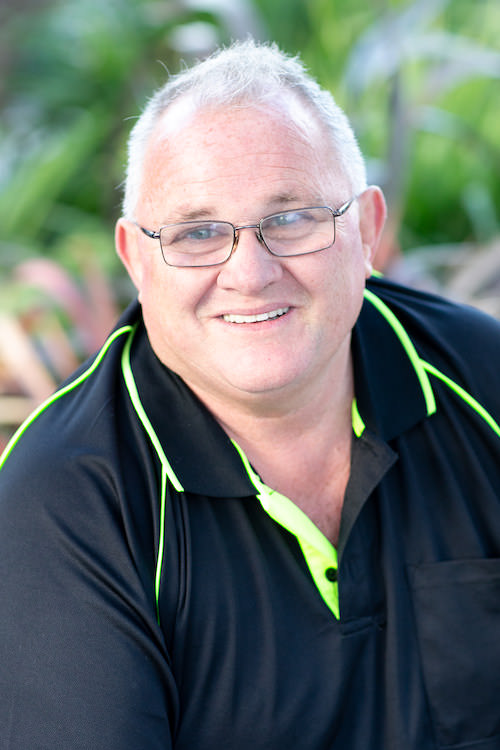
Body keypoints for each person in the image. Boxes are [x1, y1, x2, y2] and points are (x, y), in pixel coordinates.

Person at [0, 38, 499, 750]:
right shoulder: (66, 497)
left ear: (367, 229)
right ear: (136, 259)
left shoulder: (482, 379)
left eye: (290, 219)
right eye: (198, 232)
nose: (250, 273)